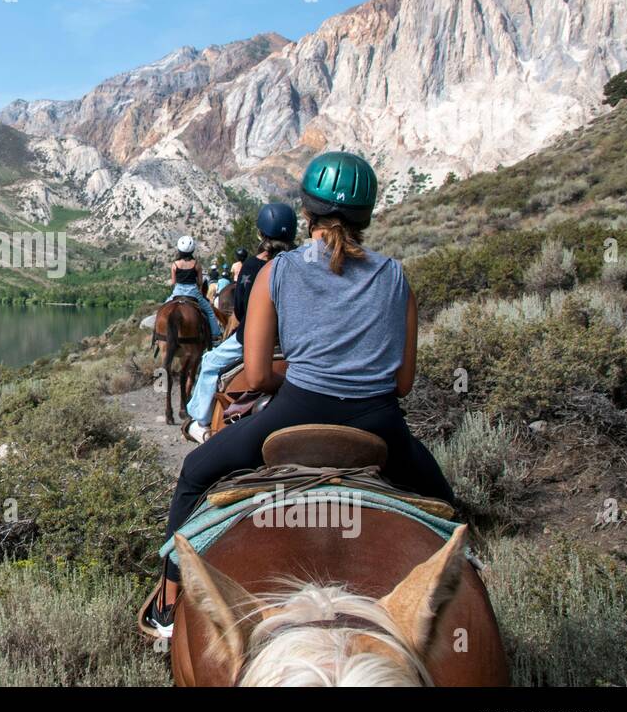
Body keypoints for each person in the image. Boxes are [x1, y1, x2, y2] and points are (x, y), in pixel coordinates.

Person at [142, 151, 455, 638]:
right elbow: (402, 383)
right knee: (447, 508)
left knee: (194, 472)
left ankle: (168, 604)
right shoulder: (395, 276)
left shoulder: (278, 271)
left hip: (295, 412)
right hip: (381, 424)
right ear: (366, 217)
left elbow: (260, 373)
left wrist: (307, 370)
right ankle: (469, 573)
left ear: (306, 212)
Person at [181, 204, 297, 445]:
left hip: (252, 338)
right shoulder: (301, 263)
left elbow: (242, 311)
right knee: (203, 307)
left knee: (210, 362)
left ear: (260, 234)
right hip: (293, 338)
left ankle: (199, 421)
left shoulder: (252, 267)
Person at [164, 235, 222, 342]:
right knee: (209, 311)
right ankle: (215, 335)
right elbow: (200, 282)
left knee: (163, 309)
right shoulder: (196, 264)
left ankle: (158, 335)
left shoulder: (175, 264)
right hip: (193, 292)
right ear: (192, 250)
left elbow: (173, 282)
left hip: (178, 292)